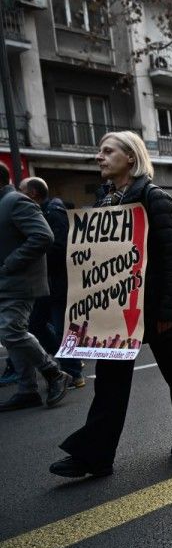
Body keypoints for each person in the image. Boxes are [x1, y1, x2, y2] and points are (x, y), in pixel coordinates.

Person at [50, 131, 172, 478]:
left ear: (130, 157)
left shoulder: (152, 197)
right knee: (110, 381)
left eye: (108, 151)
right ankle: (95, 455)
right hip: (117, 310)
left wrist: (169, 311)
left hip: (155, 308)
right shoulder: (105, 200)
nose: (100, 157)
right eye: (99, 151)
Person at [0, 163, 72, 411]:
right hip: (8, 282)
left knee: (11, 330)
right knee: (10, 334)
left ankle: (54, 373)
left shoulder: (16, 201)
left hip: (20, 282)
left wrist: (10, 263)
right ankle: (27, 389)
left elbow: (43, 236)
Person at [19, 177, 85, 388]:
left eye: (21, 191)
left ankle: (73, 372)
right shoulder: (43, 213)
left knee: (61, 329)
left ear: (33, 194)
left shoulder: (54, 212)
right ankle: (67, 363)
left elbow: (61, 247)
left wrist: (34, 255)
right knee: (36, 325)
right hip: (47, 283)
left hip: (59, 283)